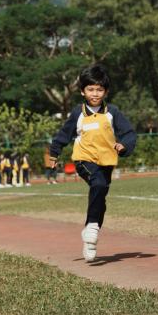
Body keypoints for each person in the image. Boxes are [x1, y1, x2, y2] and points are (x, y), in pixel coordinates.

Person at [49, 64, 136, 262]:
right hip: (84, 159)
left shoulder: (112, 112)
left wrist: (124, 145)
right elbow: (64, 134)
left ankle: (90, 237)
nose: (95, 94)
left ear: (106, 91)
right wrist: (54, 153)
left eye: (99, 89)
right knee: (98, 184)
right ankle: (92, 232)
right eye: (90, 89)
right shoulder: (77, 113)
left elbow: (129, 133)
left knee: (101, 198)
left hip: (107, 162)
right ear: (82, 91)